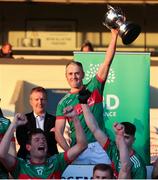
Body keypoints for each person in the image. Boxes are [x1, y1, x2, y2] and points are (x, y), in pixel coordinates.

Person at [55, 29, 118, 164]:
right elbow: (58, 133)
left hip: (99, 146)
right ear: (66, 77)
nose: (74, 76)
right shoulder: (63, 103)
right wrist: (69, 153)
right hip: (78, 149)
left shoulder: (94, 87)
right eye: (70, 74)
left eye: (77, 73)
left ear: (83, 74)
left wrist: (114, 36)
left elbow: (107, 61)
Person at [0, 108, 87, 179]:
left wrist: (75, 118)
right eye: (37, 140)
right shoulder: (21, 166)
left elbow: (82, 145)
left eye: (44, 140)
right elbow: (2, 154)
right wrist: (13, 125)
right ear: (28, 147)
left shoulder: (57, 162)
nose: (42, 141)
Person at [79, 92, 146, 179]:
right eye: (121, 136)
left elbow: (125, 166)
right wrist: (84, 103)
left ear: (133, 140)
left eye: (126, 137)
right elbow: (94, 128)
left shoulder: (138, 165)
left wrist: (120, 135)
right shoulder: (113, 149)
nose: (122, 140)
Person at [16, 86, 58, 159]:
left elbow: (54, 141)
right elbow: (22, 142)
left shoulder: (55, 120)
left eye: (42, 99)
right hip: (26, 159)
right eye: (36, 99)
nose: (40, 102)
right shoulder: (23, 119)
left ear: (46, 101)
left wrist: (32, 139)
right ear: (31, 102)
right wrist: (49, 135)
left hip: (50, 159)